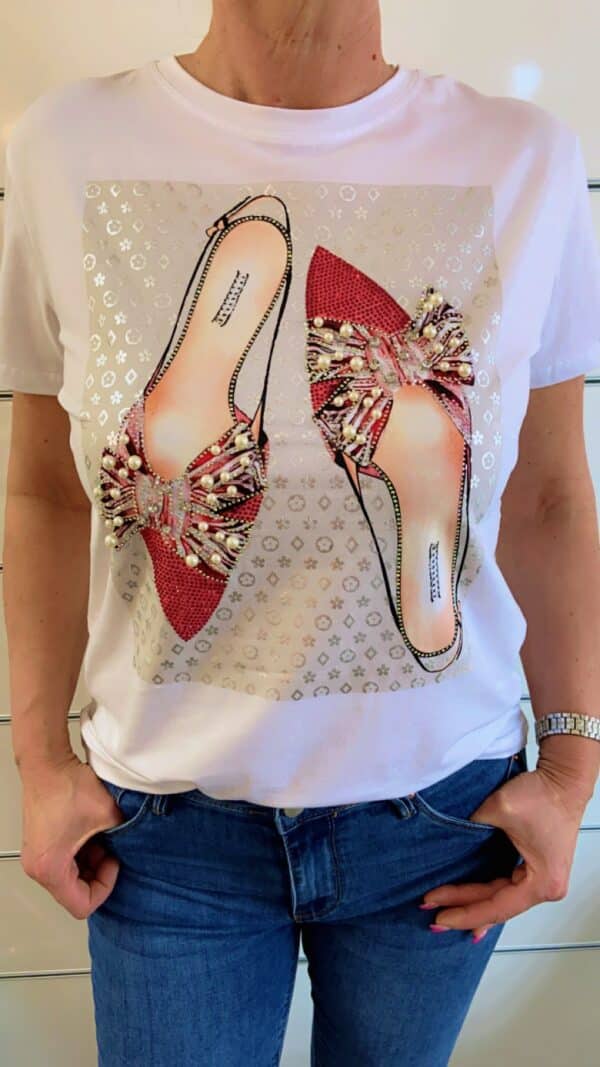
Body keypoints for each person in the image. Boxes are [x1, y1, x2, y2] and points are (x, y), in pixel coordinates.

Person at [1, 2, 599, 1064]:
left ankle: (230, 433)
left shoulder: (528, 159)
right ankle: (384, 432)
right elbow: (46, 491)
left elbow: (552, 498)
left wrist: (572, 768)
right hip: (164, 827)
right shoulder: (61, 145)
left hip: (447, 817)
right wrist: (40, 763)